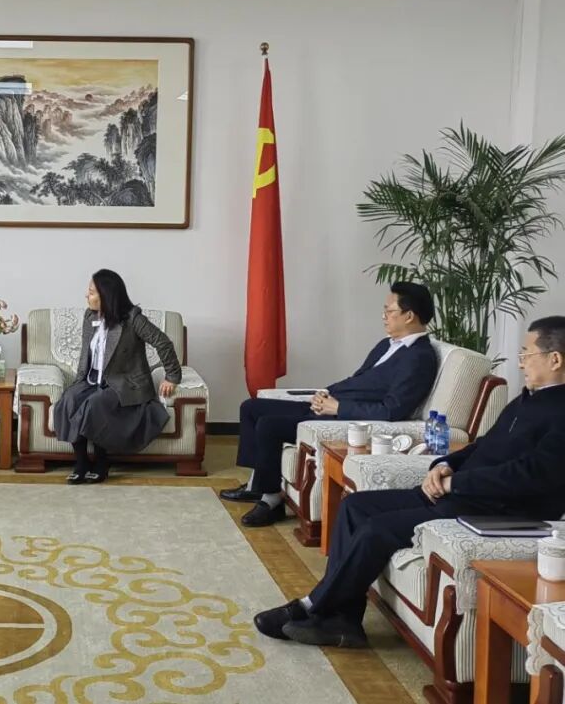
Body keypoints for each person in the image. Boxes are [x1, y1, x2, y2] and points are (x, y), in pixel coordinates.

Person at [254, 315, 565, 649]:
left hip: (499, 511)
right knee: (355, 506)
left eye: (526, 354)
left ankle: (312, 606)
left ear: (555, 359)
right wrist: (444, 464)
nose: (520, 363)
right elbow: (483, 445)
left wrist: (456, 483)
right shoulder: (528, 399)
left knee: (377, 529)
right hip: (462, 493)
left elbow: (531, 475)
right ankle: (343, 620)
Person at [224, 281, 439, 528]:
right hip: (332, 406)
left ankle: (271, 501)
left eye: (389, 311)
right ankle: (257, 483)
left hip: (344, 418)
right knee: (251, 408)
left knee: (269, 425)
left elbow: (392, 410)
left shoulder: (418, 358)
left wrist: (337, 408)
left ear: (409, 316)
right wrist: (325, 394)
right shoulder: (386, 345)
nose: (383, 316)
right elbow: (357, 381)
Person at [53, 269, 181, 484]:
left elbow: (163, 342)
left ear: (106, 295)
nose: (86, 295)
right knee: (69, 399)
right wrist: (78, 383)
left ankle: (102, 462)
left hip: (124, 383)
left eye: (91, 292)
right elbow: (85, 354)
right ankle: (81, 462)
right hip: (93, 379)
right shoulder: (90, 316)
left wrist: (172, 376)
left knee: (96, 404)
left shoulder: (133, 319)